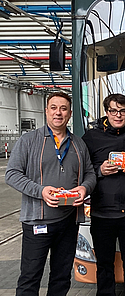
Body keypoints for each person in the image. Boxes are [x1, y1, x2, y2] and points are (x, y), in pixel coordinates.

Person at [5, 92, 96, 296]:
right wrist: (41, 191)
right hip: (38, 222)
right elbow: (11, 174)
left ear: (70, 113)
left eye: (63, 109)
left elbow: (90, 173)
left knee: (62, 277)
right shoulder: (29, 140)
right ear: (46, 111)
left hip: (68, 222)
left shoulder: (78, 144)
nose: (58, 113)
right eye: (53, 108)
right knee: (30, 277)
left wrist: (84, 188)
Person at [82, 93, 125, 296]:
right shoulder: (91, 137)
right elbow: (80, 170)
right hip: (102, 214)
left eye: (122, 111)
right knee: (104, 265)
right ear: (106, 112)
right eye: (113, 111)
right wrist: (99, 170)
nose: (118, 115)